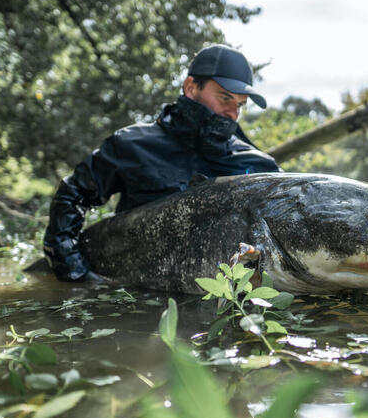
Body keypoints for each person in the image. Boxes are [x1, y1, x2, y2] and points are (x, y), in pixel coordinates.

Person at [43, 44, 280, 281]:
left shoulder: (257, 165)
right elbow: (73, 194)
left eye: (240, 104)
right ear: (191, 87)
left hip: (220, 299)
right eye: (225, 97)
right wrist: (75, 274)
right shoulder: (131, 146)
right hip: (135, 293)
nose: (232, 113)